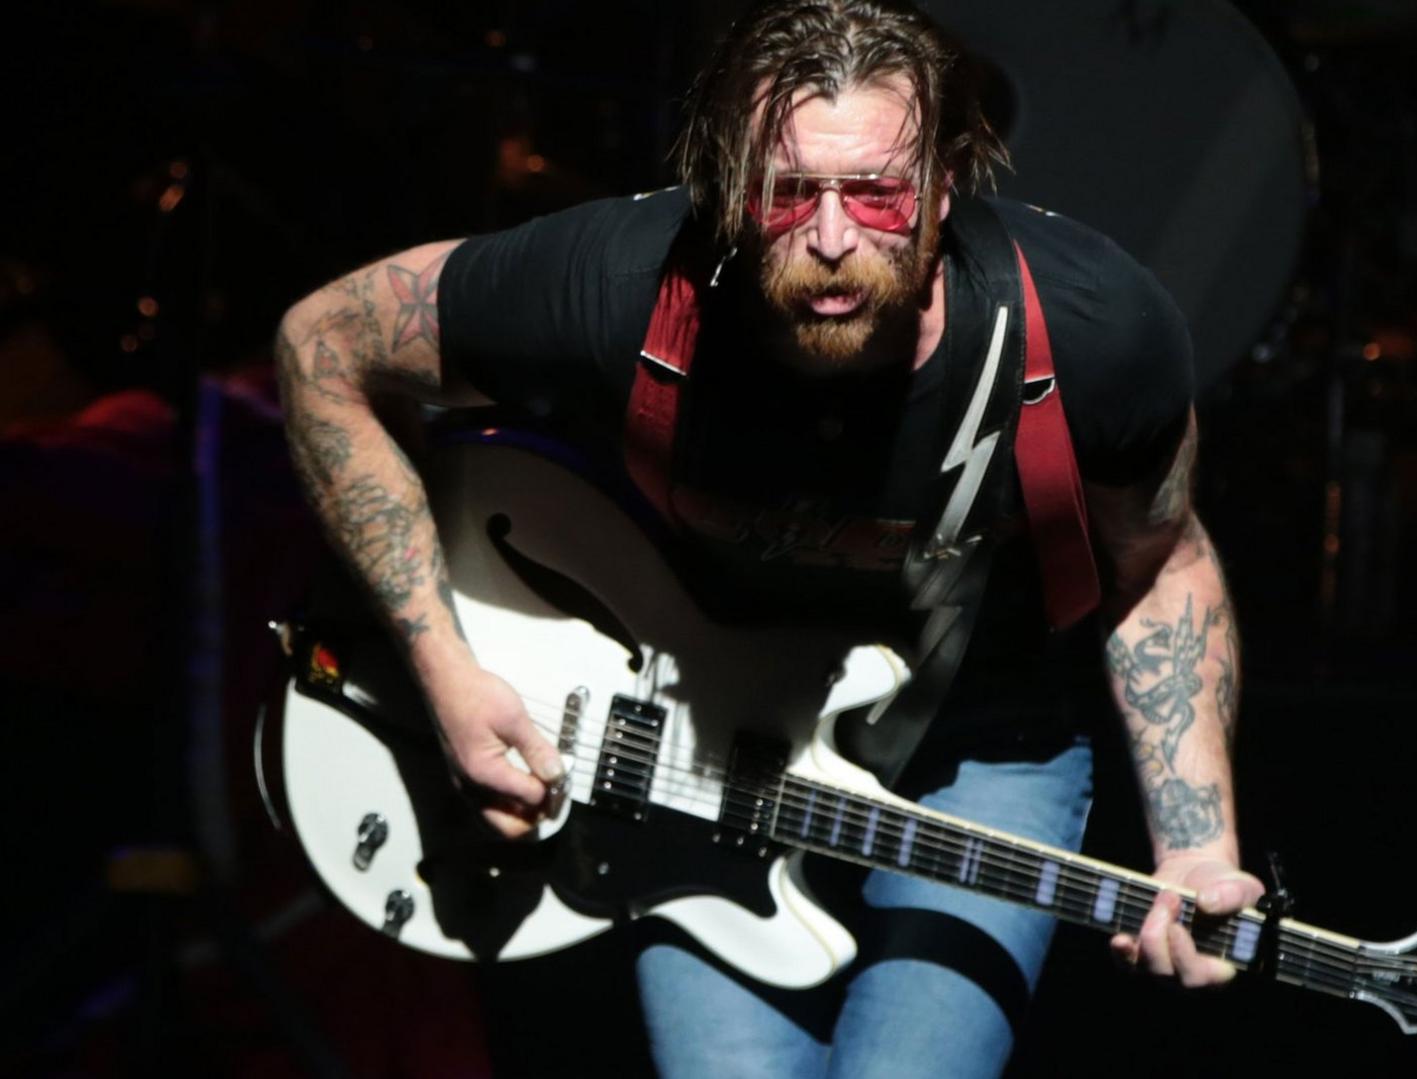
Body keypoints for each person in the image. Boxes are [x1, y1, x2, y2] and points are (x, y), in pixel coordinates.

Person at [273, 1, 1262, 1074]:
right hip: (695, 750)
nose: (833, 239)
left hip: (978, 742)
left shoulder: (1091, 332)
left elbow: (1160, 566)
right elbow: (320, 345)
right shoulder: (617, 285)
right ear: (725, 186)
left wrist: (1199, 845)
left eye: (879, 192)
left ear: (944, 184)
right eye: (789, 192)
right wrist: (443, 669)